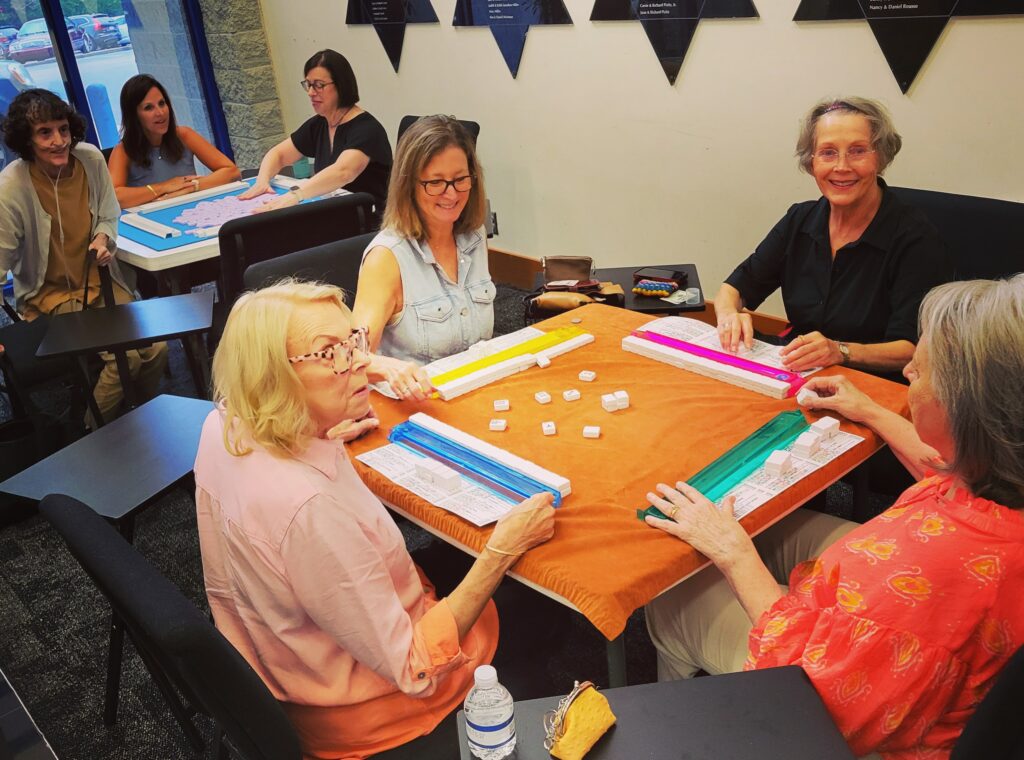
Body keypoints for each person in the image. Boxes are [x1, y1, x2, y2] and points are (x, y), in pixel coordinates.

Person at [644, 275, 1024, 759]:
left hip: (830, 687)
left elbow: (815, 688)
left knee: (673, 593)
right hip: (885, 599)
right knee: (775, 526)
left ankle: (688, 728)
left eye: (921, 372)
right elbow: (944, 471)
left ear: (969, 412)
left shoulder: (933, 574)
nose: (907, 373)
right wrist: (870, 410)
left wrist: (733, 552)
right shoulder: (998, 468)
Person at [194, 280, 555, 759]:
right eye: (330, 354)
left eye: (352, 342)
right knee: (548, 605)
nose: (360, 361)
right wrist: (501, 551)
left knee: (456, 563)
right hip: (378, 714)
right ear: (272, 376)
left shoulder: (224, 423)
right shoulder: (308, 510)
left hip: (286, 665)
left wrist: (323, 431)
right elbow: (415, 666)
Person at [715, 97, 954, 378]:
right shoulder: (800, 219)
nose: (841, 166)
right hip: (800, 370)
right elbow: (734, 288)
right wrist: (729, 315)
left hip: (874, 382)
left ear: (880, 157)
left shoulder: (916, 238)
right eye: (828, 153)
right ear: (811, 161)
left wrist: (839, 351)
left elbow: (912, 349)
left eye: (857, 151)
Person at [0, 89, 167, 424]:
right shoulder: (11, 186)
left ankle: (149, 417)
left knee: (158, 349)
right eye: (44, 133)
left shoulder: (90, 159)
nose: (59, 141)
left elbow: (108, 213)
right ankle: (91, 436)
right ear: (26, 140)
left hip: (100, 281)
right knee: (126, 360)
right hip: (49, 298)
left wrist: (103, 238)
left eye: (63, 129)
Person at [352, 115, 494, 364]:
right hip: (414, 398)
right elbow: (355, 357)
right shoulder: (386, 257)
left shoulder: (475, 235)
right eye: (436, 182)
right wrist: (389, 371)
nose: (451, 194)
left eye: (460, 179)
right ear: (408, 185)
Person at [239, 49, 391, 214]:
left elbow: (343, 173)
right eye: (308, 85)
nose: (311, 92)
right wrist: (262, 181)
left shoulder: (367, 129)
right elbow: (279, 154)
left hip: (371, 222)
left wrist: (296, 194)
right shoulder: (320, 124)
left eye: (319, 85)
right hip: (336, 214)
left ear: (341, 85)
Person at [107, 74, 240, 209]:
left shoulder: (184, 135)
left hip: (193, 210)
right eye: (148, 107)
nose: (160, 113)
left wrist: (190, 187)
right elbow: (115, 197)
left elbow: (232, 172)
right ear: (134, 115)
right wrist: (165, 187)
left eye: (162, 103)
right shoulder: (122, 151)